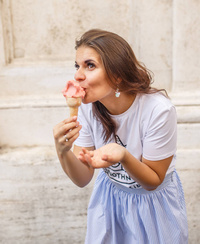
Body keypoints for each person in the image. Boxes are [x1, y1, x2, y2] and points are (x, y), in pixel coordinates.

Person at [53, 29, 188, 244]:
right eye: (77, 66)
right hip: (109, 200)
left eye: (90, 65)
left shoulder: (158, 111)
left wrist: (123, 156)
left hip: (152, 205)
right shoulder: (87, 109)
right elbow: (82, 179)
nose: (78, 75)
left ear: (117, 74)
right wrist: (63, 151)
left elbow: (153, 181)